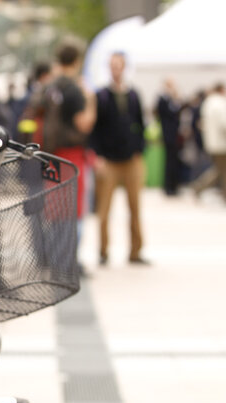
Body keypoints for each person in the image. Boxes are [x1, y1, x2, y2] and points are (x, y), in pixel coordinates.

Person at [29, 42, 95, 273]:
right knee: (72, 209)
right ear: (77, 60)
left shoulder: (50, 86)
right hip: (71, 154)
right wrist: (91, 100)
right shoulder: (74, 89)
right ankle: (67, 262)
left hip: (50, 153)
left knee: (57, 209)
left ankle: (56, 257)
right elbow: (83, 123)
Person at [91, 52, 148, 266]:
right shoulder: (102, 95)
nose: (116, 69)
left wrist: (138, 149)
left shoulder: (133, 95)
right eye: (113, 65)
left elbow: (141, 124)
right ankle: (103, 251)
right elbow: (96, 129)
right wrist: (97, 156)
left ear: (124, 68)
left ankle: (136, 250)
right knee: (104, 210)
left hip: (131, 158)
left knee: (135, 207)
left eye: (119, 66)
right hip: (109, 160)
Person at [192, 83, 226, 204]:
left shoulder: (208, 103)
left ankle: (199, 188)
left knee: (219, 169)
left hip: (212, 142)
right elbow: (225, 124)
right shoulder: (222, 103)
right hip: (224, 143)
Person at [156, 78, 183, 196]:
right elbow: (165, 114)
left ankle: (174, 185)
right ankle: (168, 187)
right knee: (169, 162)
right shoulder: (162, 99)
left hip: (175, 135)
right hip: (168, 135)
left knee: (175, 162)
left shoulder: (173, 99)